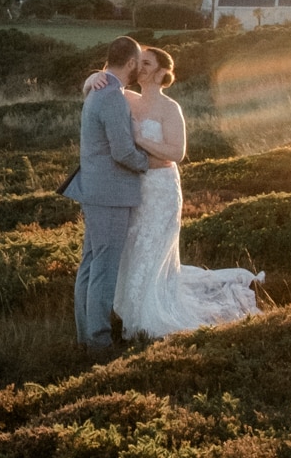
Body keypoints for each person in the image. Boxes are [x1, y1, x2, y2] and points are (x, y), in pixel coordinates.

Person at [109, 45, 263, 339]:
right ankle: (127, 308)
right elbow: (99, 82)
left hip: (162, 187)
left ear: (161, 72)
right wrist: (93, 80)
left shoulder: (170, 108)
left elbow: (177, 152)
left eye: (147, 63)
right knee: (134, 243)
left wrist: (140, 138)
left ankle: (149, 313)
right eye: (138, 62)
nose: (139, 67)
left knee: (153, 245)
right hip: (135, 186)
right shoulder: (128, 99)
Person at [64, 35, 150, 350]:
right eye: (139, 62)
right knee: (104, 266)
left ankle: (86, 336)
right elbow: (123, 151)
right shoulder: (110, 96)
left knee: (91, 263)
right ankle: (99, 342)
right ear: (130, 63)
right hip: (111, 194)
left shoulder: (97, 92)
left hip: (96, 191)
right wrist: (148, 165)